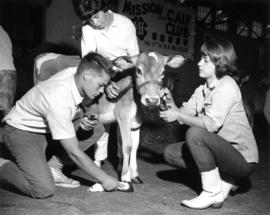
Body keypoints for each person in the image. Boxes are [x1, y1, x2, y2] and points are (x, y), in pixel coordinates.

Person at [0, 52, 119, 198]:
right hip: (21, 132)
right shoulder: (58, 98)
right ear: (86, 76)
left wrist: (90, 116)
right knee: (43, 189)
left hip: (46, 127)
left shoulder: (76, 73)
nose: (102, 91)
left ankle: (53, 167)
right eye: (101, 85)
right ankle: (2, 165)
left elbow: (91, 104)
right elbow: (74, 153)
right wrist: (104, 178)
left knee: (97, 128)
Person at [160, 38, 258, 209]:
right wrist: (170, 103)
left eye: (205, 60)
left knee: (195, 133)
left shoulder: (227, 85)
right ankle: (224, 180)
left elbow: (211, 125)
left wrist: (177, 114)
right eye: (200, 58)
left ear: (219, 63)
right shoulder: (202, 89)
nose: (198, 63)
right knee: (171, 153)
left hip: (243, 159)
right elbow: (182, 114)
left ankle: (212, 192)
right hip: (222, 152)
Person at [71, 0, 139, 167]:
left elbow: (135, 58)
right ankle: (98, 159)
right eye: (89, 20)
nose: (94, 22)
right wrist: (105, 83)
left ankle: (125, 162)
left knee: (126, 116)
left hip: (125, 71)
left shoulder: (125, 24)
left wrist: (123, 74)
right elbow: (90, 61)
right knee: (100, 114)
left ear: (105, 8)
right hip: (101, 72)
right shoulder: (88, 29)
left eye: (96, 16)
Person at [0, 25, 17, 122]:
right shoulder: (4, 33)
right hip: (10, 72)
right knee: (7, 114)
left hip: (2, 70)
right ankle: (9, 136)